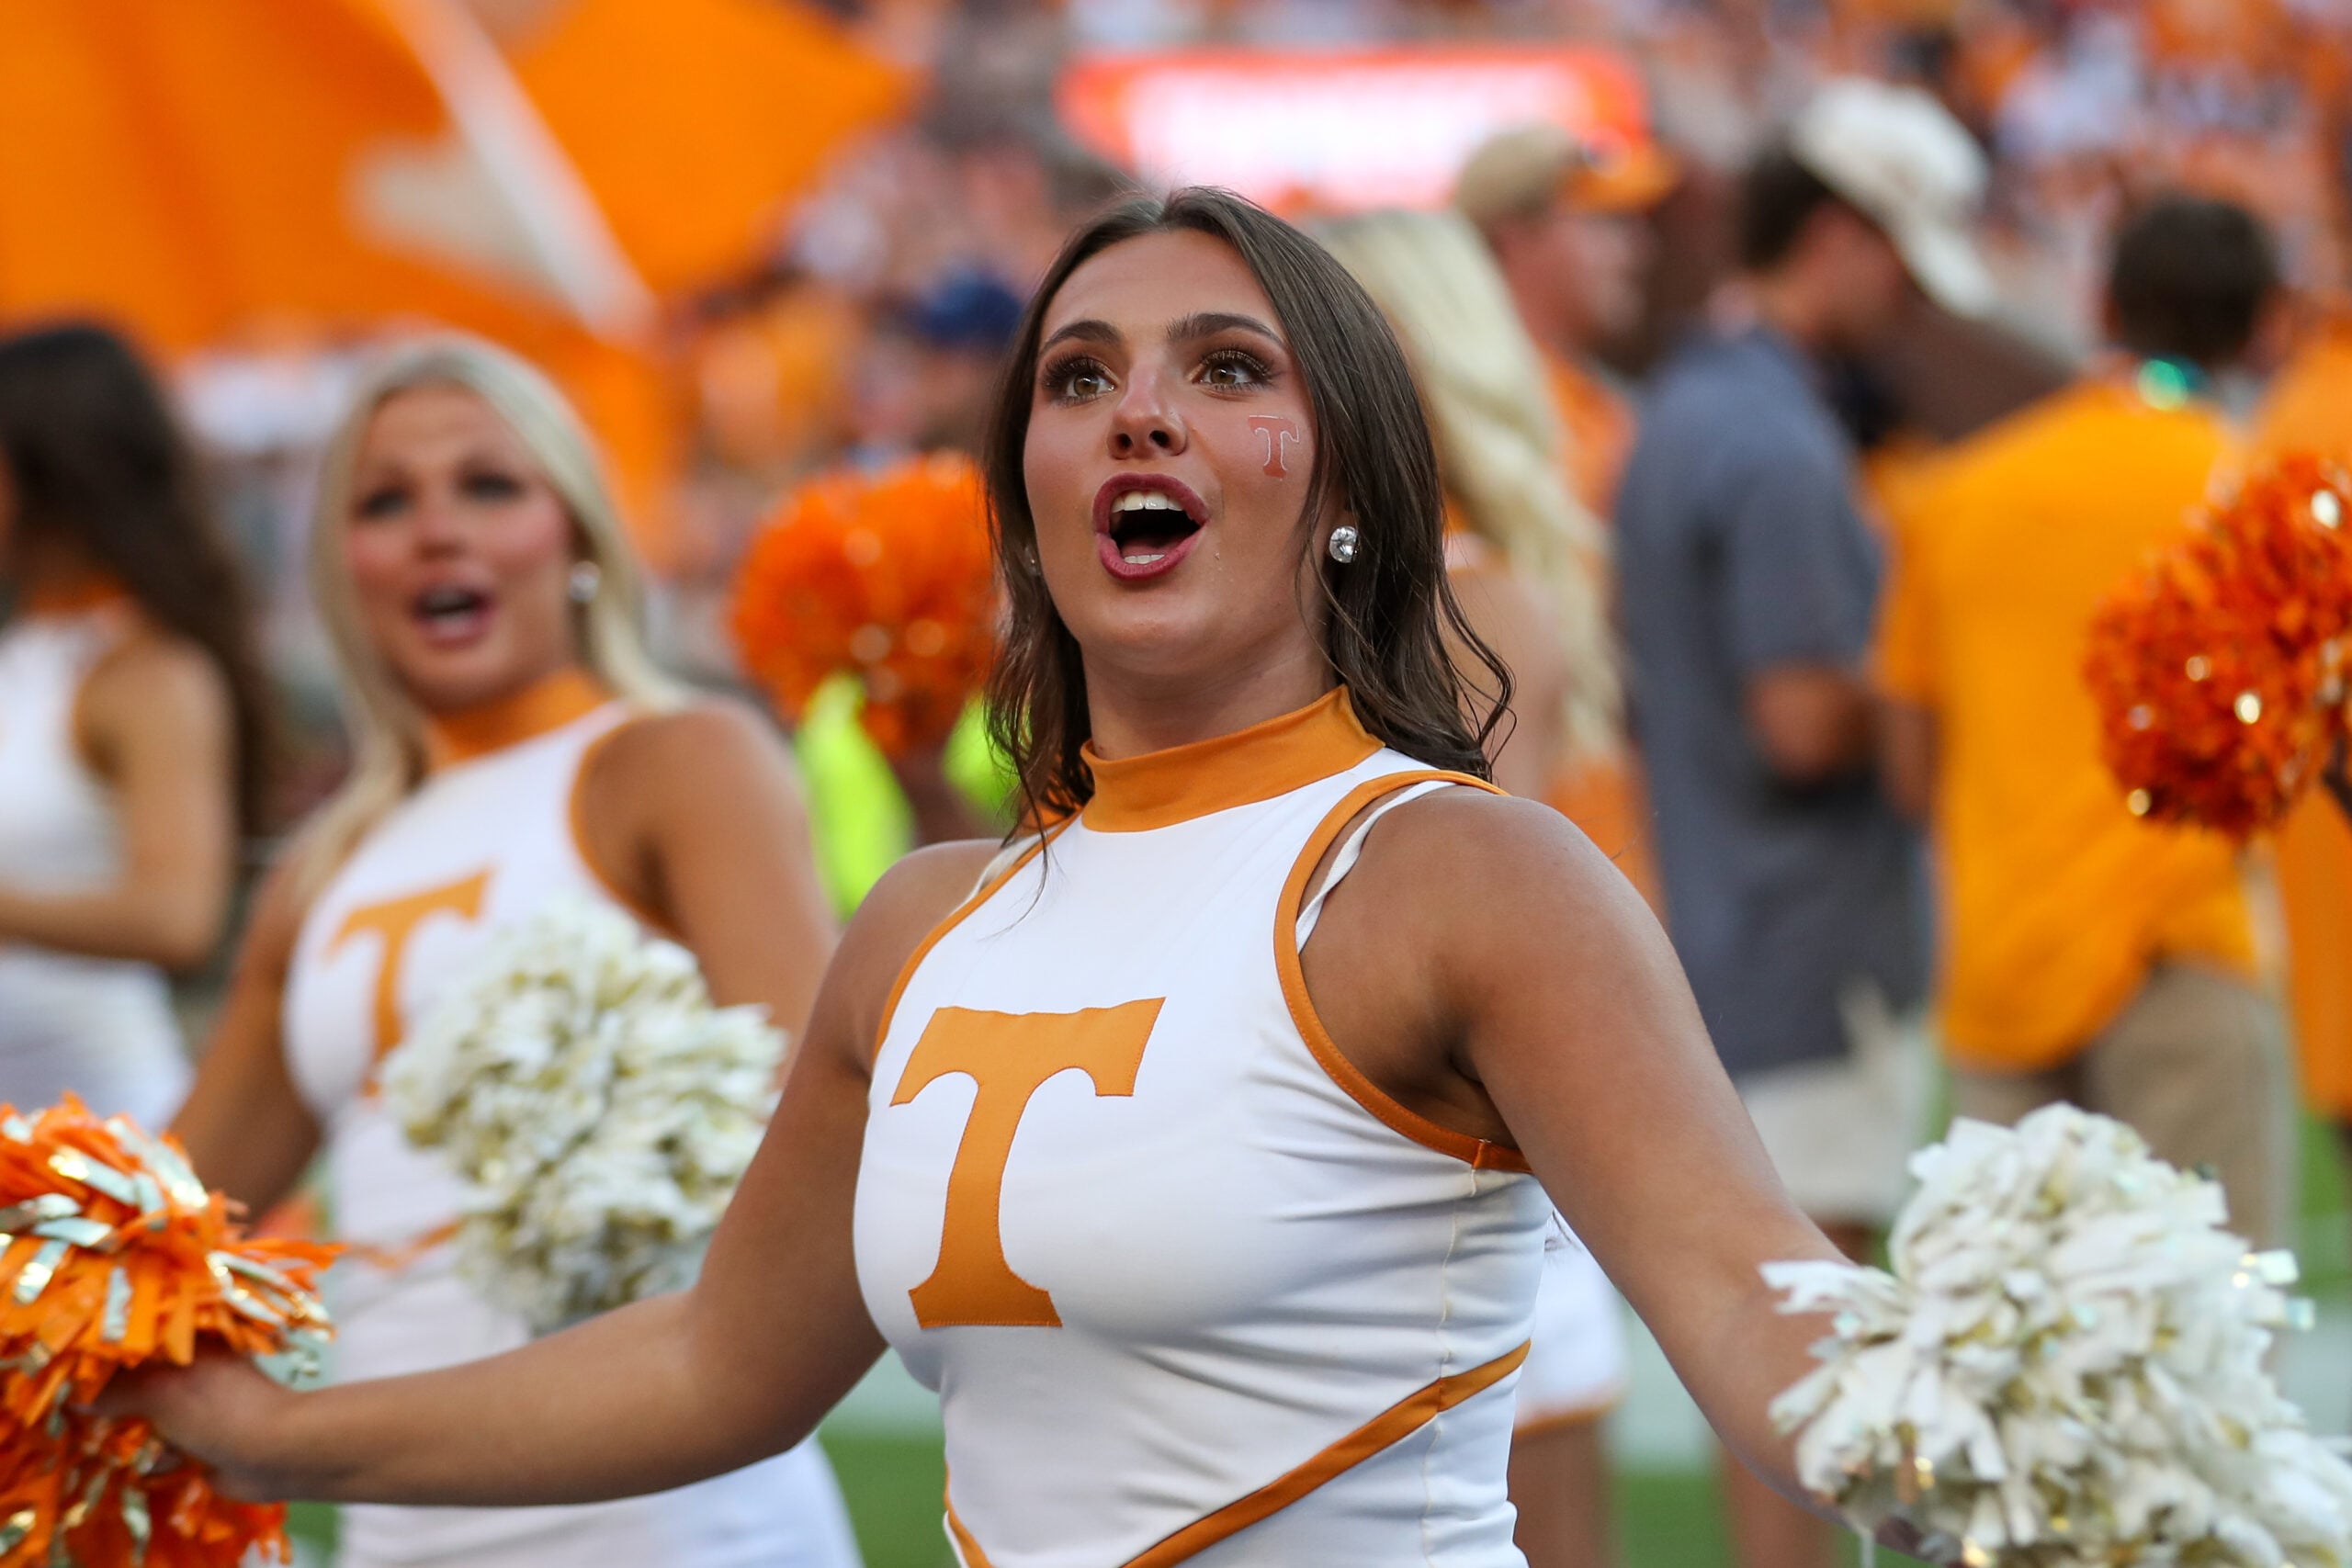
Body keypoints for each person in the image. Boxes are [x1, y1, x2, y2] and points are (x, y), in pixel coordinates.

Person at [119, 192, 1894, 1568]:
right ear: (1029, 494)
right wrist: (275, 1435)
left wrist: (2039, 1409)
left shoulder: (1461, 872)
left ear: (1344, 478)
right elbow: (717, 1366)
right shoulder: (926, 927)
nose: (1140, 415)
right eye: (1078, 377)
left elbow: (1750, 1298)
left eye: (1225, 367)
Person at [161, 337, 860, 1568]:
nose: (437, 527)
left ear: (578, 536)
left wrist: (617, 1156)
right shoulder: (324, 866)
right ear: (346, 572)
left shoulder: (678, 760)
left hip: (684, 1520)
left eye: (488, 485)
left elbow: (826, 1128)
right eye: (386, 500)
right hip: (398, 1521)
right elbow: (161, 1207)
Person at [1611, 77, 1990, 1568]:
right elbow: (1802, 720)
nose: (1904, 300)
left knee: (1776, 1362)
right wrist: (1936, 678)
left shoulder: (1691, 408)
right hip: (1806, 943)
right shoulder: (1772, 441)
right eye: (1896, 257)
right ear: (1836, 236)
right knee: (1812, 1377)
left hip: (1727, 926)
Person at [1878, 195, 2289, 1248]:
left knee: (2007, 1364)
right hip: (2185, 950)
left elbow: (1910, 768)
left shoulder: (1959, 492)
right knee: (2204, 1355)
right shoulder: (2257, 495)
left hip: (2002, 965)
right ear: (2259, 328)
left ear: (2100, 302)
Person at [1318, 206, 1629, 1568]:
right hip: (1319, 1162)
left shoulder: (1478, 597)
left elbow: (1442, 891)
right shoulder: (1291, 597)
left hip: (1447, 1170)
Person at [0, 323, 278, 1127]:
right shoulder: (25, 654)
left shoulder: (150, 674)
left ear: (49, 467)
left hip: (103, 1154)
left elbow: (178, 915)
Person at [1453, 125, 1678, 519]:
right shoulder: (1460, 411)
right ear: (1514, 241)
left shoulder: (1605, 407)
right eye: (1608, 220)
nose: (1640, 249)